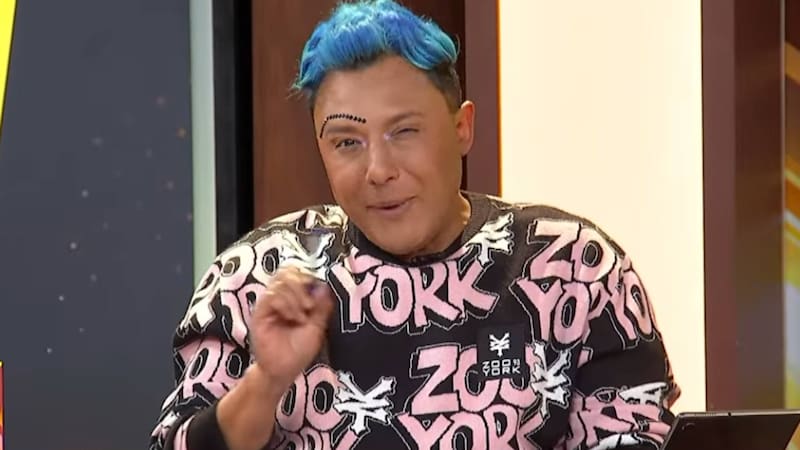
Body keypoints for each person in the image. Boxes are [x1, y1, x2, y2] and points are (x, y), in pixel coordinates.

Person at [149, 1, 680, 449]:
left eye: (403, 132)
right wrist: (266, 382)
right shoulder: (258, 277)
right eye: (347, 142)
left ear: (462, 127)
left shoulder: (573, 269)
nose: (378, 170)